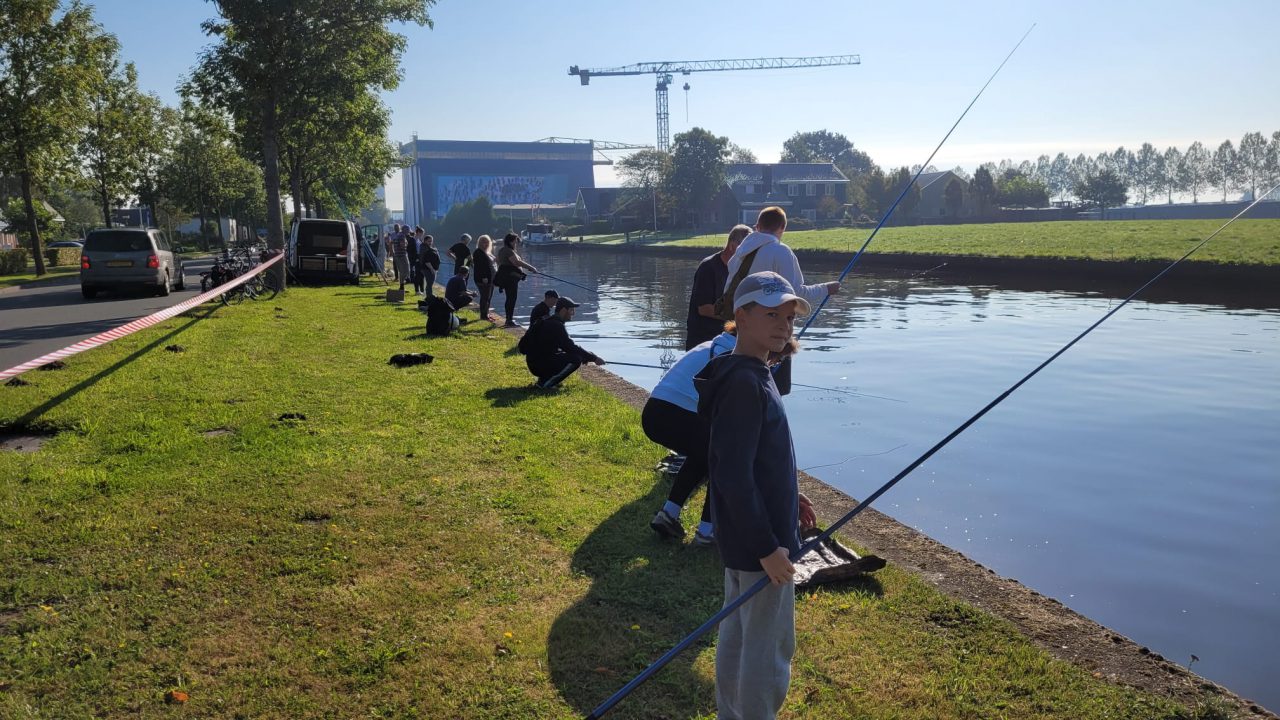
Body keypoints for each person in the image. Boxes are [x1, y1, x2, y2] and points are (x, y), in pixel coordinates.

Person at [694, 270, 818, 719]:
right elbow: (731, 474)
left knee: (739, 636)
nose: (784, 325)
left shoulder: (751, 373)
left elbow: (757, 459)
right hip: (761, 546)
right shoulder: (746, 385)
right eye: (771, 315)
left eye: (789, 317)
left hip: (746, 540)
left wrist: (791, 495)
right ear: (741, 318)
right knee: (767, 648)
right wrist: (768, 547)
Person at [646, 327, 738, 546]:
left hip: (653, 413)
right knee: (723, 458)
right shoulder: (732, 356)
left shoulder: (714, 344)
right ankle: (707, 531)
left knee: (702, 455)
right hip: (676, 414)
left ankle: (668, 515)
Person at [724, 206, 840, 314]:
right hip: (766, 321)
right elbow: (794, 293)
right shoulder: (781, 251)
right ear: (783, 227)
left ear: (757, 227)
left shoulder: (740, 252)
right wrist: (825, 289)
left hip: (737, 318)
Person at [686, 224, 750, 350]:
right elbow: (704, 309)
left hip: (727, 339)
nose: (749, 254)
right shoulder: (708, 267)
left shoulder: (740, 270)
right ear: (732, 246)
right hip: (703, 341)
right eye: (746, 249)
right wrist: (739, 316)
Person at [522, 296, 603, 390]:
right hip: (539, 365)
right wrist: (594, 358)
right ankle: (546, 384)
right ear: (564, 310)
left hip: (533, 362)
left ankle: (545, 379)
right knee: (576, 359)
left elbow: (564, 347)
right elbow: (571, 346)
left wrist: (586, 356)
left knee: (574, 355)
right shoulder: (557, 325)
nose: (573, 313)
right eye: (571, 310)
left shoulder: (546, 320)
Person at [495, 232, 538, 327]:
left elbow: (497, 261)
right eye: (515, 241)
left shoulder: (502, 250)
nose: (516, 243)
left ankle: (508, 319)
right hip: (510, 279)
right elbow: (517, 262)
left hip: (506, 277)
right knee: (512, 298)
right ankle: (509, 320)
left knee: (509, 298)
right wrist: (531, 268)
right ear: (510, 241)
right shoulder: (509, 251)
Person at [472, 234, 497, 321]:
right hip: (483, 279)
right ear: (479, 243)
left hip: (491, 279)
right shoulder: (478, 252)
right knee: (485, 297)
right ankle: (483, 316)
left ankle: (487, 313)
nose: (485, 244)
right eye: (483, 242)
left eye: (487, 242)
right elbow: (480, 267)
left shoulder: (487, 252)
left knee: (488, 297)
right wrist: (484, 277)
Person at [418, 232, 440, 299]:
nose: (430, 242)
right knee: (430, 282)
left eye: (431, 241)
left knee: (430, 282)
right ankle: (429, 296)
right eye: (429, 241)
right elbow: (427, 261)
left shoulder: (430, 248)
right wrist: (432, 269)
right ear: (425, 241)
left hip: (432, 268)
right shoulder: (425, 249)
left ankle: (429, 295)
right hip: (427, 268)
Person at [391, 225, 411, 293]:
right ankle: (403, 284)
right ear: (405, 230)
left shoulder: (398, 235)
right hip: (402, 255)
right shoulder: (402, 236)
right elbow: (402, 245)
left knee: (402, 271)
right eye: (408, 230)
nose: (409, 231)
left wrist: (392, 252)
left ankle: (402, 287)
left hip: (397, 255)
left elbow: (391, 243)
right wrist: (407, 245)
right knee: (406, 271)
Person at [406, 225, 423, 294]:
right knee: (417, 275)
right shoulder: (412, 239)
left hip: (419, 259)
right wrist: (415, 258)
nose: (422, 235)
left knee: (420, 275)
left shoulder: (419, 240)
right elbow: (409, 250)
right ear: (418, 232)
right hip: (415, 260)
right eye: (422, 233)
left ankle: (421, 290)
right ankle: (417, 290)